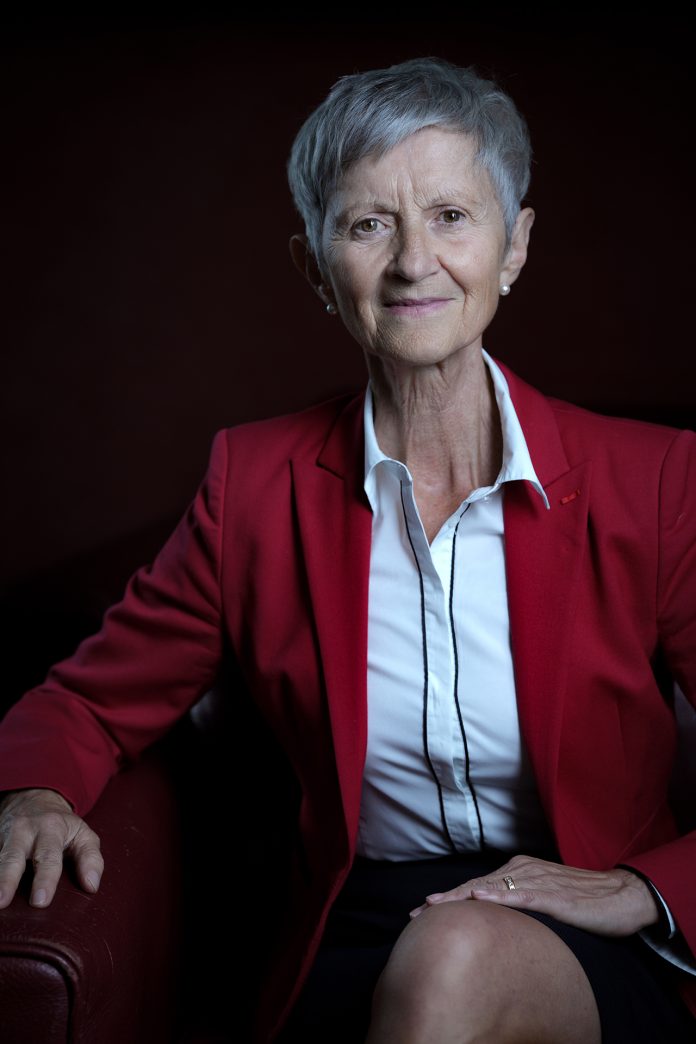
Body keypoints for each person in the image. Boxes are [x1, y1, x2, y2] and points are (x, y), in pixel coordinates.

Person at [0, 57, 695, 1043]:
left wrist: (645, 889)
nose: (414, 262)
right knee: (436, 959)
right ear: (315, 267)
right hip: (360, 925)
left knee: (456, 960)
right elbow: (87, 701)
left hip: (594, 931)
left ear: (514, 246)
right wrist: (33, 793)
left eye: (451, 217)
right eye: (369, 224)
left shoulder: (656, 481)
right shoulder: (253, 487)